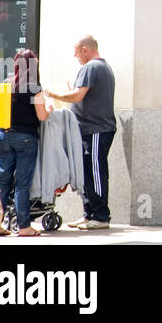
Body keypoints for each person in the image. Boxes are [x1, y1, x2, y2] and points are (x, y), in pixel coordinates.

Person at [46, 35, 116, 229]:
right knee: (86, 172)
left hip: (95, 129)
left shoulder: (91, 67)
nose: (75, 57)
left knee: (95, 172)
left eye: (76, 53)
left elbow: (78, 95)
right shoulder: (102, 67)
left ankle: (101, 216)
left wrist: (52, 94)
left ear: (85, 50)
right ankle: (90, 214)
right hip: (92, 129)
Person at [0, 49, 49, 236]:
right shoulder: (34, 86)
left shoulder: (6, 84)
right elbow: (42, 116)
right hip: (25, 137)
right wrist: (48, 109)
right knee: (22, 184)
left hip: (4, 136)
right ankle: (24, 226)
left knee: (2, 181)